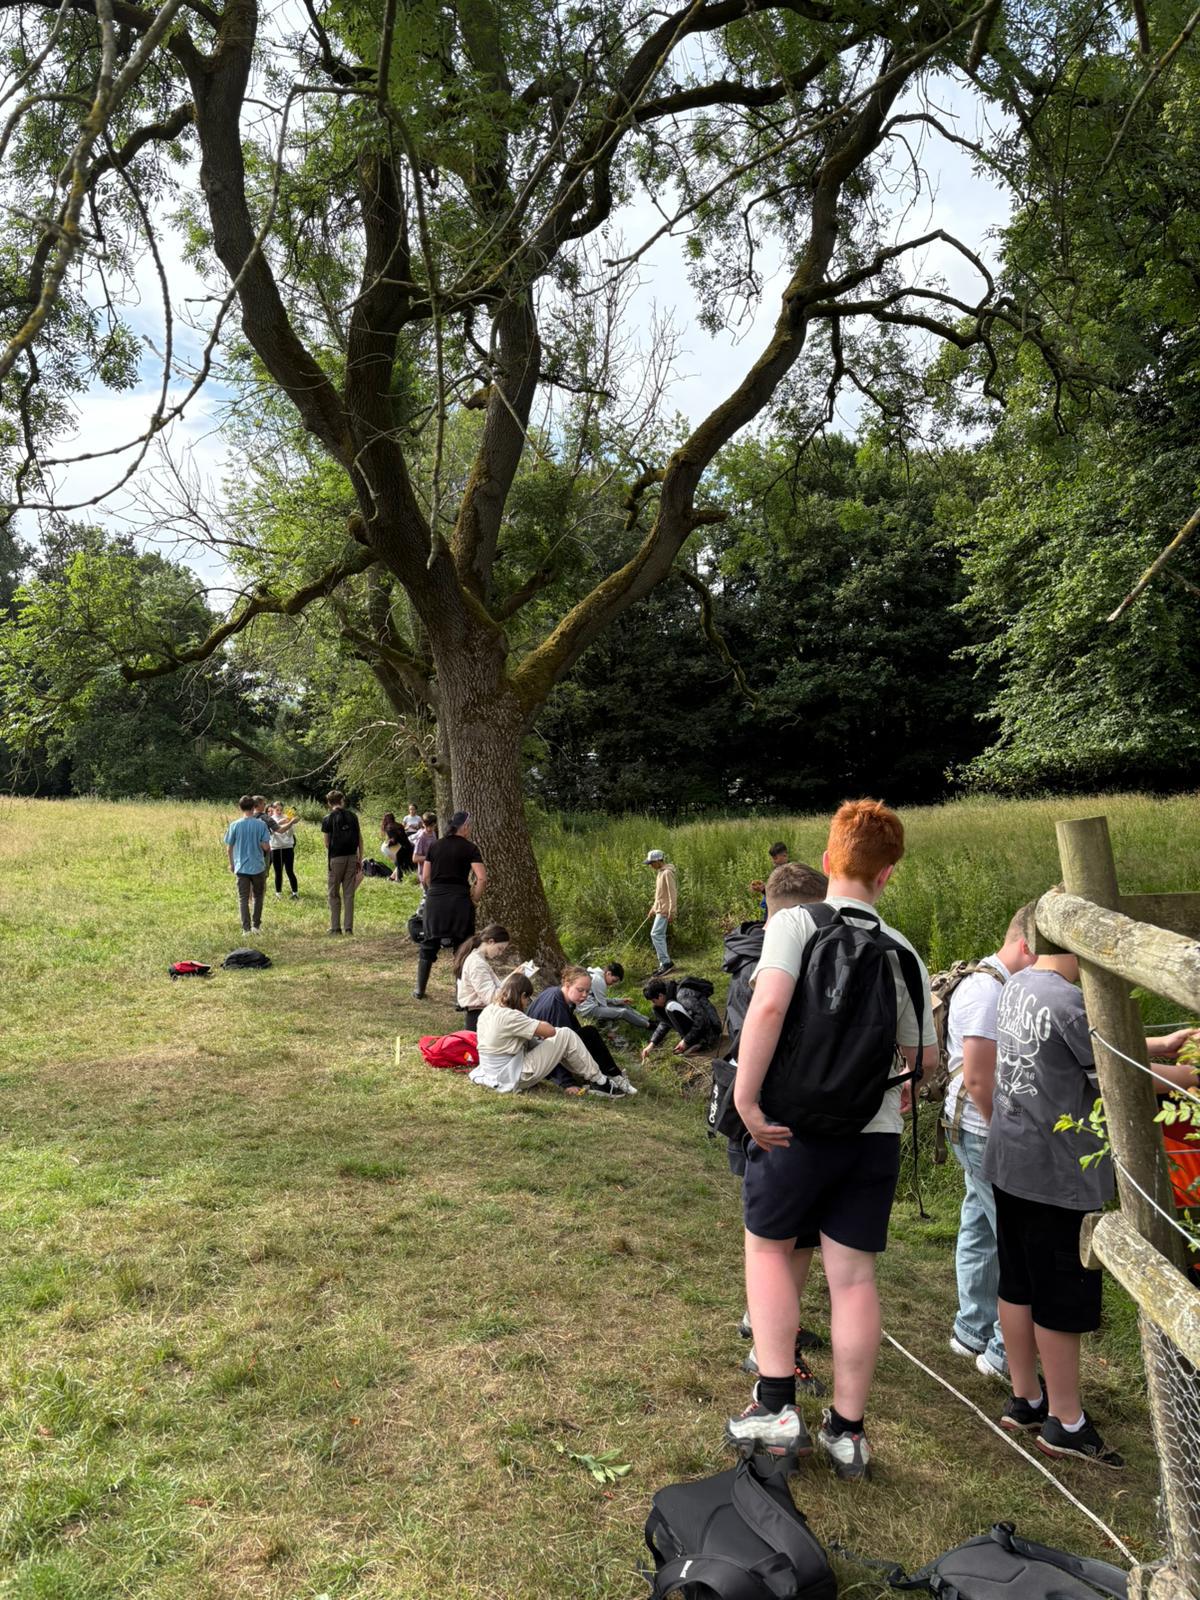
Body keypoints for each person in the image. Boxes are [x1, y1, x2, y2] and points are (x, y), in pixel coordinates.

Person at [726, 798, 936, 1481]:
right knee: (854, 1278)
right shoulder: (904, 951)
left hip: (792, 1129)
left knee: (769, 1248)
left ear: (827, 860)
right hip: (872, 1134)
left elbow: (768, 1006)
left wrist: (745, 1098)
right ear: (888, 873)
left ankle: (776, 1406)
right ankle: (848, 1431)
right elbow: (923, 1061)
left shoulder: (795, 923)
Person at [984, 953, 1196, 1467]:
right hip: (1056, 1175)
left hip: (1011, 1161)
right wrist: (1186, 1075)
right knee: (1059, 1297)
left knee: (1017, 1283)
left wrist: (1159, 1045)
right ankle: (1067, 1422)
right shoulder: (1070, 1001)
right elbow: (1120, 1074)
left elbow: (1080, 1045)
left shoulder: (1021, 984)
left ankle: (1026, 1398)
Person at [732, 861, 832, 1395]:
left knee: (786, 1238)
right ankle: (772, 1346)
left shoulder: (755, 955)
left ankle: (767, 1320)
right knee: (783, 1241)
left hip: (774, 1118)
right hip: (775, 1122)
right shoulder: (769, 966)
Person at [943, 904, 1037, 1382]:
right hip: (983, 1130)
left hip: (974, 1129)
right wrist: (1008, 1138)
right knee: (1015, 1238)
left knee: (980, 1224)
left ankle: (972, 1330)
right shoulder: (987, 992)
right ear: (1026, 946)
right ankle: (1002, 1352)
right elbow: (979, 1079)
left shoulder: (997, 985)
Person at [468, 972, 636, 1097]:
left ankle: (602, 1077)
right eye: (527, 999)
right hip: (509, 1075)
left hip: (492, 1072)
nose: (526, 1004)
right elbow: (551, 1031)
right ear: (522, 996)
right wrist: (566, 1082)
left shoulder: (489, 1010)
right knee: (565, 1034)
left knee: (574, 1035)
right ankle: (601, 1081)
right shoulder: (512, 1016)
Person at [528, 966, 638, 1093]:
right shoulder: (556, 1007)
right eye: (580, 990)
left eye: (587, 991)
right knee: (590, 1033)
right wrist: (567, 1083)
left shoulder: (558, 994)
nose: (584, 995)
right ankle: (610, 1076)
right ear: (567, 985)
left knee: (589, 1033)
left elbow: (574, 1030)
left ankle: (613, 1074)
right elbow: (553, 1048)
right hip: (536, 1055)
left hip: (540, 1049)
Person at [414, 811, 486, 998]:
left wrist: (433, 892)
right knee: (462, 948)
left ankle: (419, 990)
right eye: (470, 827)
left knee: (428, 943)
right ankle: (459, 997)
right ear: (464, 827)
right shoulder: (470, 848)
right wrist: (475, 898)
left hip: (435, 900)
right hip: (460, 901)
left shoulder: (435, 845)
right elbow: (482, 878)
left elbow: (426, 876)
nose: (470, 830)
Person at [640, 974, 722, 1058]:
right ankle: (696, 1042)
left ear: (660, 996)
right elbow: (664, 1023)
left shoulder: (682, 996)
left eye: (653, 1001)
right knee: (666, 1008)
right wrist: (652, 1044)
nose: (653, 1004)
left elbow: (701, 1018)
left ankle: (704, 1041)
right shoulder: (669, 996)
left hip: (712, 1030)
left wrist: (686, 1041)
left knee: (671, 1007)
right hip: (703, 1029)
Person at [224, 794, 272, 934]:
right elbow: (266, 847)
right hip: (257, 866)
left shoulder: (234, 825)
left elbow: (229, 848)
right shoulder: (261, 824)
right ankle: (256, 926)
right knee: (258, 896)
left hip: (241, 866)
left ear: (240, 808)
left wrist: (231, 864)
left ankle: (246, 929)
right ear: (253, 807)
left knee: (243, 898)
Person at [456, 924, 516, 1029]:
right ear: (491, 942)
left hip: (479, 1015)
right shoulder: (477, 964)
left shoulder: (477, 960)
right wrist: (513, 981)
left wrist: (513, 976)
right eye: (500, 948)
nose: (500, 953)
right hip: (478, 1016)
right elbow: (491, 997)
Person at [320, 790, 363, 935]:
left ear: (329, 803)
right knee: (349, 893)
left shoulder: (328, 818)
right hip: (352, 856)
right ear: (342, 800)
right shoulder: (353, 816)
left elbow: (327, 843)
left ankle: (335, 927)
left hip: (336, 859)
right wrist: (359, 857)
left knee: (333, 893)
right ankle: (349, 928)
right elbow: (359, 839)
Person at [577, 960, 650, 1033]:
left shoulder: (596, 974)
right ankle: (649, 1025)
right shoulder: (599, 980)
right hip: (588, 1010)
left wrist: (620, 1001)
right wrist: (609, 1029)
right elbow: (603, 1006)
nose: (613, 984)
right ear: (608, 973)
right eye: (614, 980)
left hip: (592, 1005)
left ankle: (646, 1019)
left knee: (622, 1005)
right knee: (623, 1012)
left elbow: (601, 1000)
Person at [644, 848, 678, 974]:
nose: (650, 866)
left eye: (651, 863)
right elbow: (659, 895)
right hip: (659, 909)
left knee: (656, 934)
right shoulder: (660, 872)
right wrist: (653, 908)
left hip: (665, 910)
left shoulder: (667, 873)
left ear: (659, 861)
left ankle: (666, 963)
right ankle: (663, 963)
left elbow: (672, 893)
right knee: (659, 935)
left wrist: (672, 911)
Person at [266, 801, 299, 898]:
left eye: (281, 810)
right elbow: (271, 832)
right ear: (273, 809)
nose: (279, 812)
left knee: (290, 871)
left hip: (288, 847)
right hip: (276, 848)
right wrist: (280, 823)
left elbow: (290, 834)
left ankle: (295, 893)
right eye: (277, 810)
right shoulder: (270, 819)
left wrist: (290, 823)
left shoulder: (287, 817)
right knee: (278, 872)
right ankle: (278, 893)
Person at [750, 842, 791, 915]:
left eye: (775, 858)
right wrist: (763, 889)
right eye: (772, 858)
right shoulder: (776, 870)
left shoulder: (791, 873)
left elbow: (781, 897)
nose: (773, 861)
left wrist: (765, 890)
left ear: (785, 855)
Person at [412, 811, 438, 890]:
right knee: (428, 894)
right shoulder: (421, 838)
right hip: (424, 874)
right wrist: (429, 857)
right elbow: (415, 858)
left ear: (435, 824)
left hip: (434, 871)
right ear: (423, 824)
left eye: (432, 826)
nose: (429, 829)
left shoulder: (433, 833)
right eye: (427, 826)